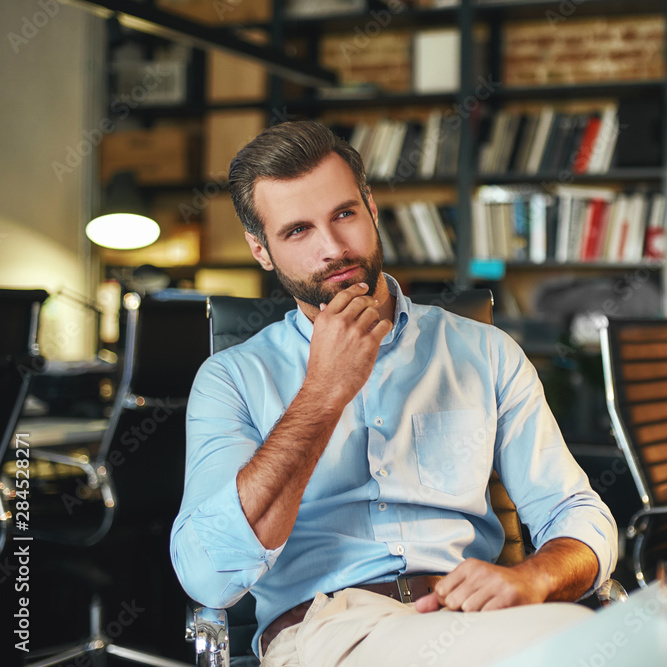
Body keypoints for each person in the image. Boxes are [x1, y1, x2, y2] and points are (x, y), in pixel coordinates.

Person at [170, 120, 618, 667]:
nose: (333, 248)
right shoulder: (231, 379)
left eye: (343, 215)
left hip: (473, 617)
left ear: (371, 209)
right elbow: (208, 576)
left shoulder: (486, 352)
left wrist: (535, 578)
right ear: (262, 251)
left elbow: (574, 509)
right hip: (328, 630)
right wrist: (323, 392)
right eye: (297, 232)